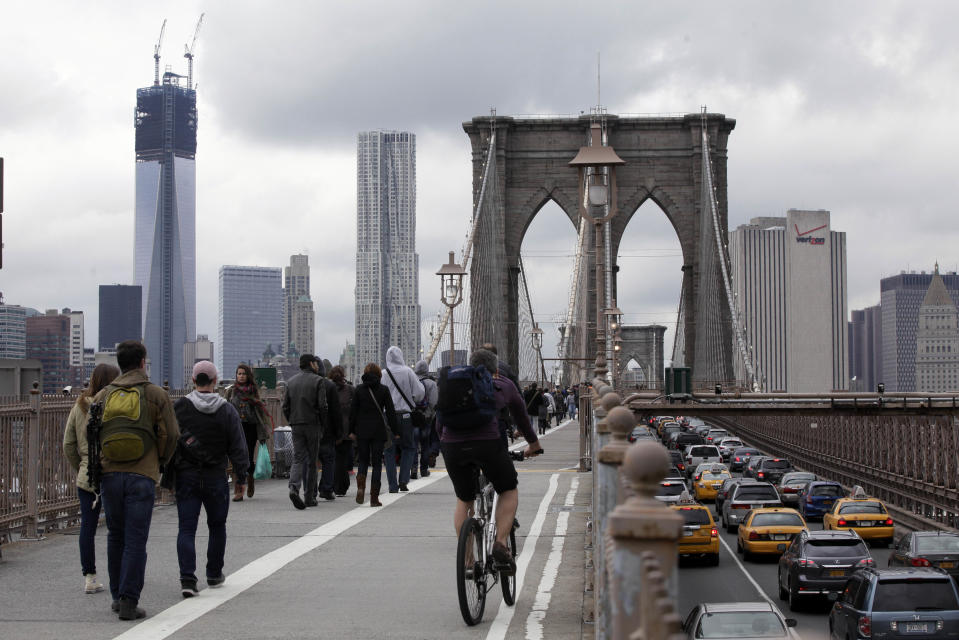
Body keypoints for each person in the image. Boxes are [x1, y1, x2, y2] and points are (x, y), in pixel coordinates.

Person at [95, 340, 179, 621]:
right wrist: (160, 461)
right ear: (143, 362)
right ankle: (130, 600)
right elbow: (172, 434)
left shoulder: (103, 396)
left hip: (109, 474)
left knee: (114, 535)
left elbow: (90, 434)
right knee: (135, 539)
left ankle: (117, 598)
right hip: (142, 475)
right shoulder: (156, 394)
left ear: (120, 363)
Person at [437, 349, 542, 574]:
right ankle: (501, 544)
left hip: (452, 446)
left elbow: (439, 422)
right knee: (508, 489)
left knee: (464, 500)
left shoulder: (455, 383)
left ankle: (467, 562)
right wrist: (533, 445)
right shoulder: (503, 384)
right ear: (495, 369)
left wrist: (445, 445)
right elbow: (522, 418)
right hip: (487, 444)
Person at [173, 361, 250, 597]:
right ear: (215, 381)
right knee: (217, 525)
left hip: (187, 474)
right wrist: (241, 475)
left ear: (194, 381)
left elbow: (169, 439)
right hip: (216, 474)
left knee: (186, 527)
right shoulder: (226, 409)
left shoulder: (181, 407)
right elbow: (238, 445)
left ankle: (188, 579)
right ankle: (214, 573)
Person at [62, 362, 120, 595]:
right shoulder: (115, 404)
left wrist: (82, 467)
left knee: (88, 526)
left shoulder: (79, 406)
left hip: (88, 473)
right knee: (117, 527)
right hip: (113, 472)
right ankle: (122, 572)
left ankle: (90, 576)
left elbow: (68, 444)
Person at [283, 354, 341, 508]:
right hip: (313, 424)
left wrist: (292, 420)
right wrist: (322, 424)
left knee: (298, 458)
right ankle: (309, 497)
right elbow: (323, 406)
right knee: (312, 461)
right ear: (311, 364)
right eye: (316, 363)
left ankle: (293, 487)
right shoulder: (318, 381)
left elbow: (285, 406)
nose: (317, 365)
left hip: (296, 424)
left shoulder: (290, 382)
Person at [348, 362, 399, 507]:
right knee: (377, 463)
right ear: (379, 374)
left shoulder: (358, 390)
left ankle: (360, 488)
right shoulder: (384, 390)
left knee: (363, 461)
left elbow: (353, 413)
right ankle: (374, 498)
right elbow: (390, 412)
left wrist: (351, 431)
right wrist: (396, 432)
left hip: (362, 430)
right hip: (378, 430)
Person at [381, 346, 424, 492]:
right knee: (409, 447)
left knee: (389, 450)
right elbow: (419, 393)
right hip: (405, 415)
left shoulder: (384, 374)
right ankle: (404, 480)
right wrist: (412, 399)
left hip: (388, 416)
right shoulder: (408, 371)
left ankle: (392, 485)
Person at [224, 363, 271, 501]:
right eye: (239, 373)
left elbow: (260, 412)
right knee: (235, 457)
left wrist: (263, 431)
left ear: (248, 375)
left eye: (244, 374)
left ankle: (249, 479)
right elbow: (225, 407)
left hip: (250, 428)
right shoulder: (231, 391)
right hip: (235, 428)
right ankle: (238, 488)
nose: (241, 376)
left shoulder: (253, 391)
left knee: (248, 457)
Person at [314, 358, 344, 501]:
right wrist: (339, 432)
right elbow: (336, 411)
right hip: (327, 429)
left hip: (309, 428)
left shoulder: (302, 383)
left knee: (310, 460)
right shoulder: (329, 386)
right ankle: (326, 489)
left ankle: (311, 490)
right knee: (329, 460)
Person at [328, 365, 355, 497]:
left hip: (331, 429)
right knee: (342, 459)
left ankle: (334, 485)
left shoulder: (327, 389)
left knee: (332, 458)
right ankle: (341, 486)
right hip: (346, 430)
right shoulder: (350, 389)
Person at [412, 359, 438, 479]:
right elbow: (433, 402)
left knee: (413, 444)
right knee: (425, 444)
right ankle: (423, 469)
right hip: (426, 418)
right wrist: (429, 414)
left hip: (413, 417)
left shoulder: (412, 381)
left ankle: (413, 469)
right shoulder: (432, 383)